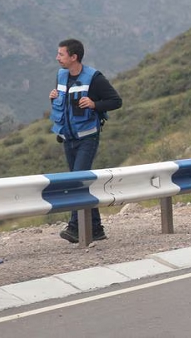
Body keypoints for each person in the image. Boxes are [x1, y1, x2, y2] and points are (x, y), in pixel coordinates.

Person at [50, 38, 122, 243]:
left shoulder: (94, 78)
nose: (57, 58)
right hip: (67, 139)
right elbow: (63, 105)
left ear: (74, 57)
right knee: (81, 183)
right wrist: (53, 97)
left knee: (76, 182)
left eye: (61, 54)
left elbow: (116, 101)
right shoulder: (61, 76)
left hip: (87, 138)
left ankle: (75, 227)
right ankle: (96, 228)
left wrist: (94, 104)